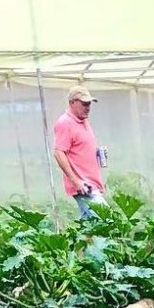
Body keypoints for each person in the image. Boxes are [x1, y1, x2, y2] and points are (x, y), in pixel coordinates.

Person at [52, 86, 108, 219]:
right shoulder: (65, 123)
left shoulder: (83, 121)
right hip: (84, 186)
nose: (88, 107)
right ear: (72, 102)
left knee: (89, 228)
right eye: (84, 103)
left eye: (89, 103)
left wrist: (98, 152)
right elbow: (59, 153)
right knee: (106, 220)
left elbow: (80, 149)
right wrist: (76, 181)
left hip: (93, 183)